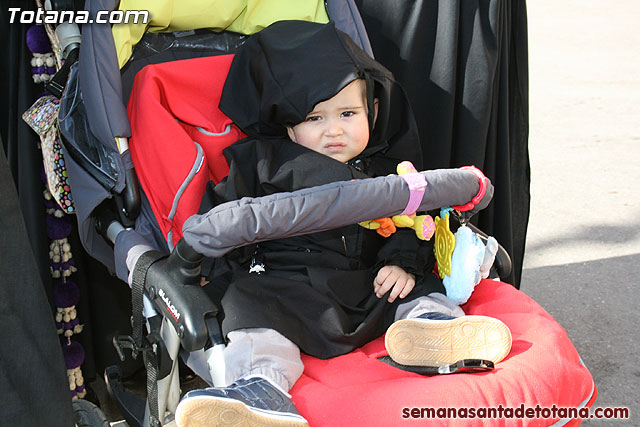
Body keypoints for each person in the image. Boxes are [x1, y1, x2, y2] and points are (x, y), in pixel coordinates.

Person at [175, 21, 511, 427]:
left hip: (369, 284)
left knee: (421, 287)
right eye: (315, 118)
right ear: (288, 126)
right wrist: (214, 273)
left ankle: (433, 330)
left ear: (372, 111)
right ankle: (260, 387)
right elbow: (224, 221)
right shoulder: (261, 165)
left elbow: (413, 224)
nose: (334, 130)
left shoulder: (388, 168)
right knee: (248, 309)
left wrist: (402, 262)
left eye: (348, 113)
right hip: (286, 288)